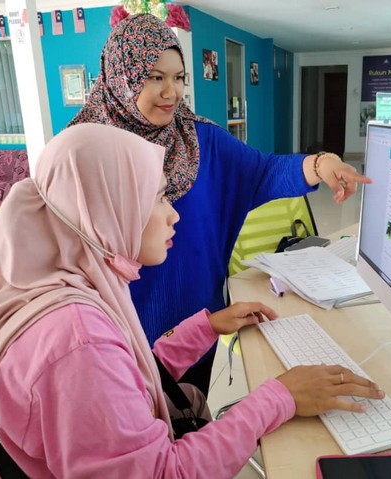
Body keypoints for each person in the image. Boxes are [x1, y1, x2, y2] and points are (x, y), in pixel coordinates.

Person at [0, 124, 385, 478]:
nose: (174, 214)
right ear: (105, 211)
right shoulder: (77, 341)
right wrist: (280, 397)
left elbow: (126, 381)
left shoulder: (65, 287)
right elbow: (165, 473)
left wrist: (205, 327)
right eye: (156, 198)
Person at [69, 13, 372, 394]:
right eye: (155, 77)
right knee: (139, 425)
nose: (171, 92)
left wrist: (319, 164)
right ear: (122, 76)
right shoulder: (85, 152)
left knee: (190, 414)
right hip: (118, 334)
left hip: (199, 324)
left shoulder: (198, 140)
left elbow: (262, 171)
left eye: (179, 77)